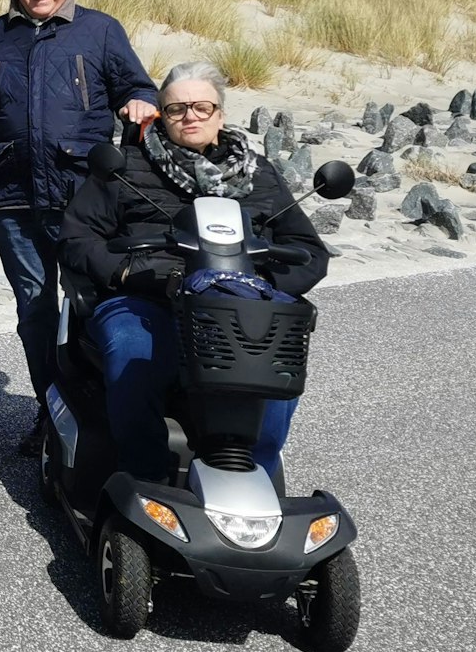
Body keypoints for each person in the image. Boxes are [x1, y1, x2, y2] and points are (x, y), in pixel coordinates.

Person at [57, 61, 329, 485]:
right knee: (133, 351)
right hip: (148, 297)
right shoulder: (124, 167)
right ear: (161, 115)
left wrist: (265, 285)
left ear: (220, 114)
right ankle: (143, 477)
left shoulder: (261, 176)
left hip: (239, 303)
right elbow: (77, 238)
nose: (190, 117)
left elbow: (309, 251)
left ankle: (256, 473)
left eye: (202, 107)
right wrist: (128, 273)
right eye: (176, 109)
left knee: (277, 364)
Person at [0, 0, 157, 456]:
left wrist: (141, 101)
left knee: (95, 306)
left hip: (84, 201)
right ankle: (50, 413)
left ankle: (104, 411)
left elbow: (137, 88)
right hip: (15, 201)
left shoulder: (100, 30)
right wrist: (8, 150)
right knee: (35, 312)